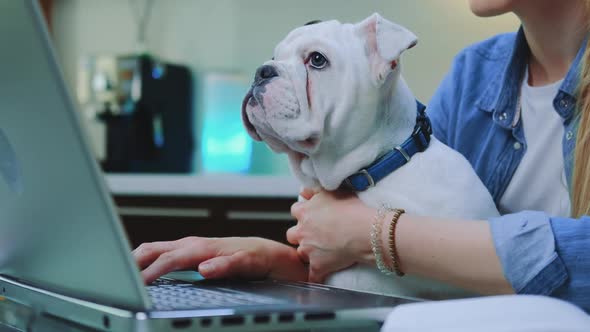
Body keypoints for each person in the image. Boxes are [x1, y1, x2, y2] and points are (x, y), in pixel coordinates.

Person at [133, 0, 590, 312]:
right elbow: (421, 271)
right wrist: (277, 262)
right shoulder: (476, 74)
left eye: (314, 61)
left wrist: (375, 232)